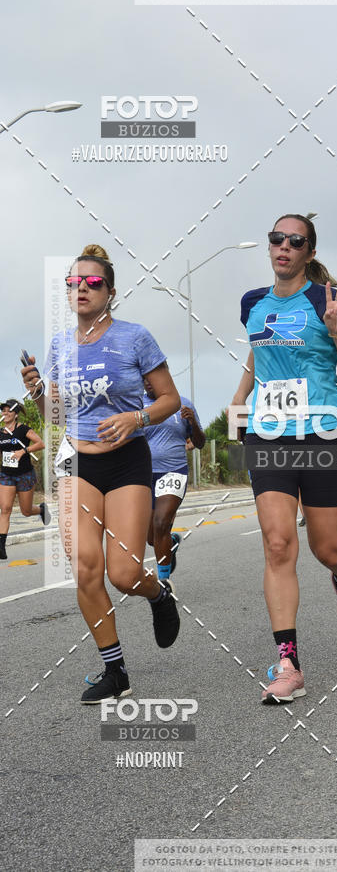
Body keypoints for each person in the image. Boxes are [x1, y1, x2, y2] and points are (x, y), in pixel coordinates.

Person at [22, 244, 181, 705]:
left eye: (93, 283)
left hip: (127, 459)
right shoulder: (59, 346)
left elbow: (168, 399)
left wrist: (138, 419)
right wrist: (36, 393)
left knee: (125, 573)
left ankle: (157, 594)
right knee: (86, 569)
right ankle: (115, 670)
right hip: (79, 461)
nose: (82, 290)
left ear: (110, 291)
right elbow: (55, 414)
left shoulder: (135, 337)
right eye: (74, 283)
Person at [229, 214, 337, 704]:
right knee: (277, 543)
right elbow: (257, 354)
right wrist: (239, 401)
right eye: (276, 239)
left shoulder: (327, 300)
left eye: (296, 241)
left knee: (327, 548)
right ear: (269, 248)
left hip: (324, 432)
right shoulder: (252, 303)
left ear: (309, 252)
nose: (283, 246)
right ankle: (288, 662)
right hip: (269, 434)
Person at [142, 379, 205, 580]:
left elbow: (200, 443)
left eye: (152, 378)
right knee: (152, 538)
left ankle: (164, 583)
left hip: (173, 471)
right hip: (143, 475)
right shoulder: (134, 405)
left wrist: (193, 421)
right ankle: (171, 542)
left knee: (161, 523)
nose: (148, 382)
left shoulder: (182, 404)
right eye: (144, 378)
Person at [0, 399, 51, 559]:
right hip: (7, 475)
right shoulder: (1, 432)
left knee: (26, 511)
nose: (5, 413)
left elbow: (40, 443)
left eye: (8, 411)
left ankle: (41, 509)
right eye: (3, 411)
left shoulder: (23, 430)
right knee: (5, 509)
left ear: (15, 414)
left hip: (25, 475)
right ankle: (1, 547)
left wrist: (23, 451)